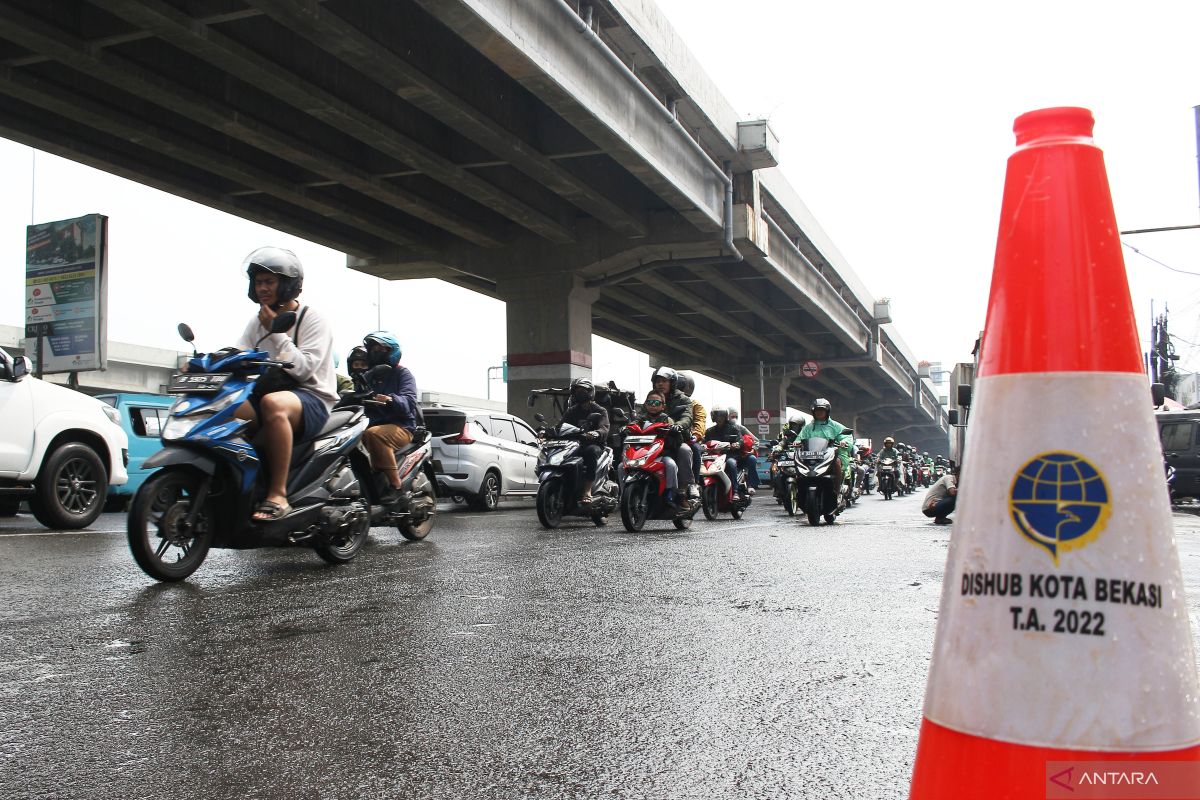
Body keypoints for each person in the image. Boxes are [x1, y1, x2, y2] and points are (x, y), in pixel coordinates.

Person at [234, 246, 337, 522]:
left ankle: (278, 495)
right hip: (269, 391)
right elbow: (240, 355)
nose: (262, 288)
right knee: (228, 405)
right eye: (258, 282)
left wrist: (276, 332)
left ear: (288, 284)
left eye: (269, 282)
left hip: (312, 398)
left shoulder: (312, 319)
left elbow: (303, 370)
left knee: (273, 403)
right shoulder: (257, 321)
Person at [360, 331, 420, 505]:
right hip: (369, 425)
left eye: (381, 349)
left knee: (374, 434)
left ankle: (396, 487)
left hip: (401, 427)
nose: (376, 352)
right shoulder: (369, 375)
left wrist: (390, 399)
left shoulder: (402, 374)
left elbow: (409, 401)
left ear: (392, 352)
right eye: (374, 349)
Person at [559, 378, 609, 505]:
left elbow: (604, 428)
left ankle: (587, 490)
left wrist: (596, 433)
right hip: (575, 445)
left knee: (591, 452)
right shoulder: (572, 411)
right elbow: (560, 426)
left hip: (595, 444)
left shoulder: (600, 410)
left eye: (583, 390)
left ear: (590, 392)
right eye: (577, 390)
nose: (580, 393)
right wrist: (547, 432)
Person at [650, 366, 696, 499]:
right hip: (654, 438)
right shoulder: (652, 397)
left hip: (676, 438)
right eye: (658, 381)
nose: (660, 384)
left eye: (664, 381)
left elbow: (687, 417)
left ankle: (685, 486)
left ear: (672, 383)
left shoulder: (683, 400)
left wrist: (678, 426)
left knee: (685, 450)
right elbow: (642, 415)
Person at [634, 389, 683, 507]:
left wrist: (675, 431)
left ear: (663, 406)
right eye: (650, 403)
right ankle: (623, 495)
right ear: (645, 404)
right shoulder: (640, 419)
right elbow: (632, 426)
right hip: (641, 454)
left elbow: (678, 440)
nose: (653, 406)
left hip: (661, 455)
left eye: (656, 403)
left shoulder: (667, 419)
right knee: (621, 467)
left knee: (670, 465)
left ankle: (670, 494)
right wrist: (624, 428)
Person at [798, 398, 854, 490]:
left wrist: (844, 442)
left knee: (836, 463)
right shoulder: (808, 428)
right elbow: (800, 437)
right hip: (811, 455)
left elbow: (846, 436)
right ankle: (800, 491)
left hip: (831, 454)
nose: (819, 412)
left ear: (827, 411)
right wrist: (797, 442)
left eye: (822, 410)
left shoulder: (836, 426)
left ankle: (837, 490)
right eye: (817, 410)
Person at [703, 407, 754, 497]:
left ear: (725, 416)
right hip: (715, 457)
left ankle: (735, 491)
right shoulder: (709, 431)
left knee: (731, 463)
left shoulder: (733, 428)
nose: (719, 418)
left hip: (731, 455)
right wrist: (702, 446)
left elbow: (740, 440)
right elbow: (704, 442)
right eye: (717, 416)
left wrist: (737, 444)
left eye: (721, 416)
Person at [677, 373, 705, 500]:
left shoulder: (694, 404)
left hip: (686, 437)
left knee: (694, 449)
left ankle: (693, 483)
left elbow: (700, 421)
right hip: (666, 436)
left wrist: (696, 435)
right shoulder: (662, 399)